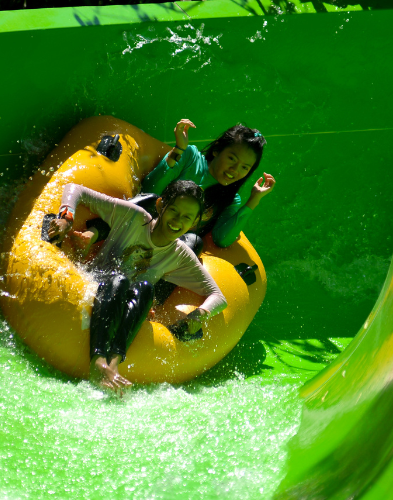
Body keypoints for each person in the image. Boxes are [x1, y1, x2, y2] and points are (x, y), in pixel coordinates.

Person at [47, 180, 227, 393]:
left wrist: (199, 314)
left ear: (194, 222)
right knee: (119, 279)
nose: (178, 221)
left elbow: (218, 296)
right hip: (97, 288)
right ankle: (97, 361)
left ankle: (113, 364)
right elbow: (75, 189)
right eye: (174, 212)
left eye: (187, 217)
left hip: (128, 307)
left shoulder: (180, 255)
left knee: (146, 288)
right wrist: (66, 217)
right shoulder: (133, 217)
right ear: (160, 206)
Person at [80, 118, 275, 254]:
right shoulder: (190, 157)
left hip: (167, 244)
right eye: (232, 158)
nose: (235, 169)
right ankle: (92, 234)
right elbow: (151, 187)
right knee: (150, 200)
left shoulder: (230, 199)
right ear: (217, 150)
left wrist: (253, 200)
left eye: (245, 167)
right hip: (146, 219)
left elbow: (221, 239)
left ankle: (153, 299)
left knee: (194, 242)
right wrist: (178, 150)